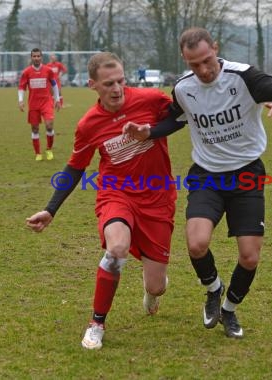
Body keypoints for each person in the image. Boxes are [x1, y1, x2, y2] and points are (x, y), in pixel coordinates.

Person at [124, 27, 272, 339]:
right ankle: (213, 289)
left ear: (216, 49)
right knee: (196, 244)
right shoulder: (184, 88)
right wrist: (149, 132)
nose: (203, 70)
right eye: (194, 64)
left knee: (249, 256)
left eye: (207, 60)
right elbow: (176, 119)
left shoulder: (243, 77)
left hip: (246, 173)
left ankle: (229, 311)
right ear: (186, 61)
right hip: (206, 174)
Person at [25, 52, 178, 350]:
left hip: (158, 196)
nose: (117, 88)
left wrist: (150, 132)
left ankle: (151, 292)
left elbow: (180, 118)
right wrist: (51, 209)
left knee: (156, 285)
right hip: (116, 193)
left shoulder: (150, 99)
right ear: (92, 84)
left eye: (121, 81)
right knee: (116, 247)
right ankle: (97, 322)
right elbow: (75, 167)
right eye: (109, 83)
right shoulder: (88, 125)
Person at [18, 48, 61, 161]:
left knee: (49, 125)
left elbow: (54, 84)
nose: (36, 58)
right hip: (33, 104)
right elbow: (22, 87)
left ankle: (49, 149)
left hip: (46, 102)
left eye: (38, 56)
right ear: (31, 57)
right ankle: (38, 153)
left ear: (41, 57)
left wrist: (57, 99)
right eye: (34, 56)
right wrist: (20, 100)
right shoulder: (26, 72)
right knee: (35, 129)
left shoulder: (48, 70)